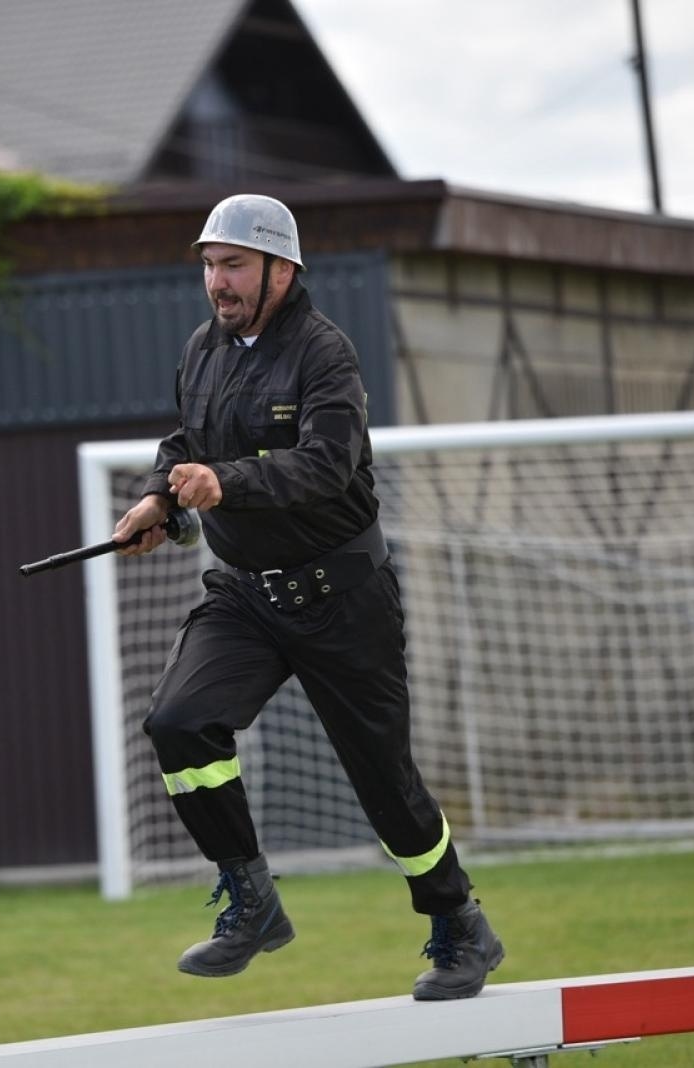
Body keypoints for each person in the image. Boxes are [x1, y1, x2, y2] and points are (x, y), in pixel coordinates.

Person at [111, 194, 504, 1000]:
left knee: (383, 783)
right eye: (210, 266)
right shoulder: (202, 349)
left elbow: (327, 465)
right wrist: (161, 495)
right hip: (244, 597)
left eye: (234, 266)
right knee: (178, 722)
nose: (217, 283)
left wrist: (226, 481)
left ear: (281, 271)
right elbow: (187, 440)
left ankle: (458, 922)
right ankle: (250, 899)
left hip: (342, 597)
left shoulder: (326, 355)